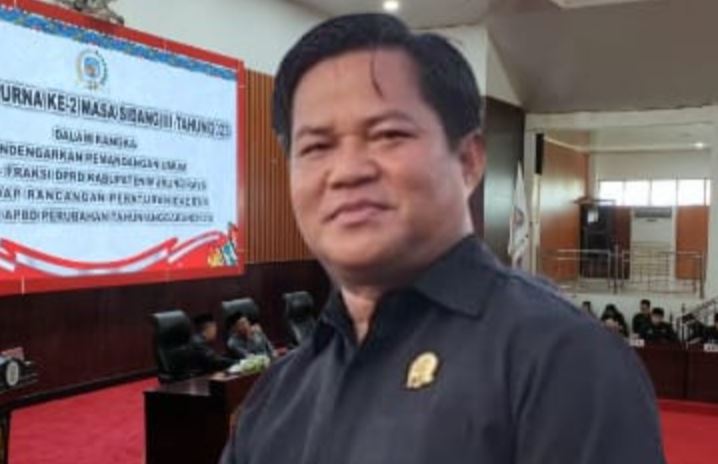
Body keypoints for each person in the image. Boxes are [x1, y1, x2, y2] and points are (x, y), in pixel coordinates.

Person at [221, 13, 665, 464]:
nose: (348, 171)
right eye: (316, 146)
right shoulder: (276, 397)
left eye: (388, 134)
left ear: (468, 160)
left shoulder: (563, 358)